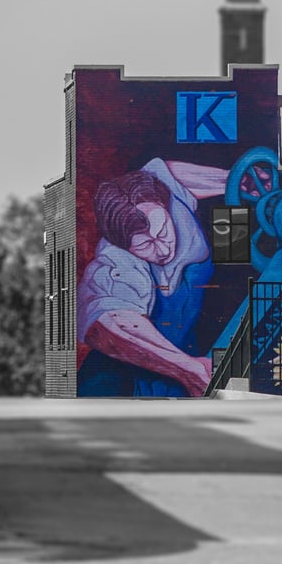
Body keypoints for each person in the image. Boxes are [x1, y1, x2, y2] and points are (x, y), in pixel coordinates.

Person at [77, 158, 231, 397]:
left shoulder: (159, 194)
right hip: (126, 375)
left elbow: (166, 173)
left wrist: (236, 180)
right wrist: (187, 369)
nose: (162, 250)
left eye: (163, 232)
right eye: (145, 245)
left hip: (188, 347)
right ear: (123, 245)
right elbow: (109, 325)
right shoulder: (114, 264)